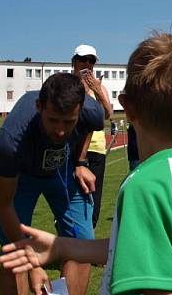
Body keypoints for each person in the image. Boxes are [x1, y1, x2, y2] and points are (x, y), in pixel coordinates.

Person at [0, 32, 172, 295]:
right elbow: (138, 246)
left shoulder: (144, 186)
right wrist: (61, 247)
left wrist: (79, 161)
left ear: (128, 108)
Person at [0, 72, 103, 295]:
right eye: (53, 120)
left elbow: (89, 126)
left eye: (69, 122)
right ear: (39, 106)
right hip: (20, 178)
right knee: (15, 255)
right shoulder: (10, 141)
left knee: (82, 244)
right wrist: (34, 265)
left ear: (80, 110)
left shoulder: (92, 113)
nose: (60, 130)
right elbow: (3, 204)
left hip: (62, 171)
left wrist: (80, 161)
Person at [70, 44, 112, 229]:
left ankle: (87, 241)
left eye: (91, 60)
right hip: (72, 149)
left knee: (93, 201)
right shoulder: (67, 85)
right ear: (74, 62)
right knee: (71, 199)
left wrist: (96, 90)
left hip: (95, 150)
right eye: (83, 59)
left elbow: (107, 114)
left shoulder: (99, 87)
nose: (87, 64)